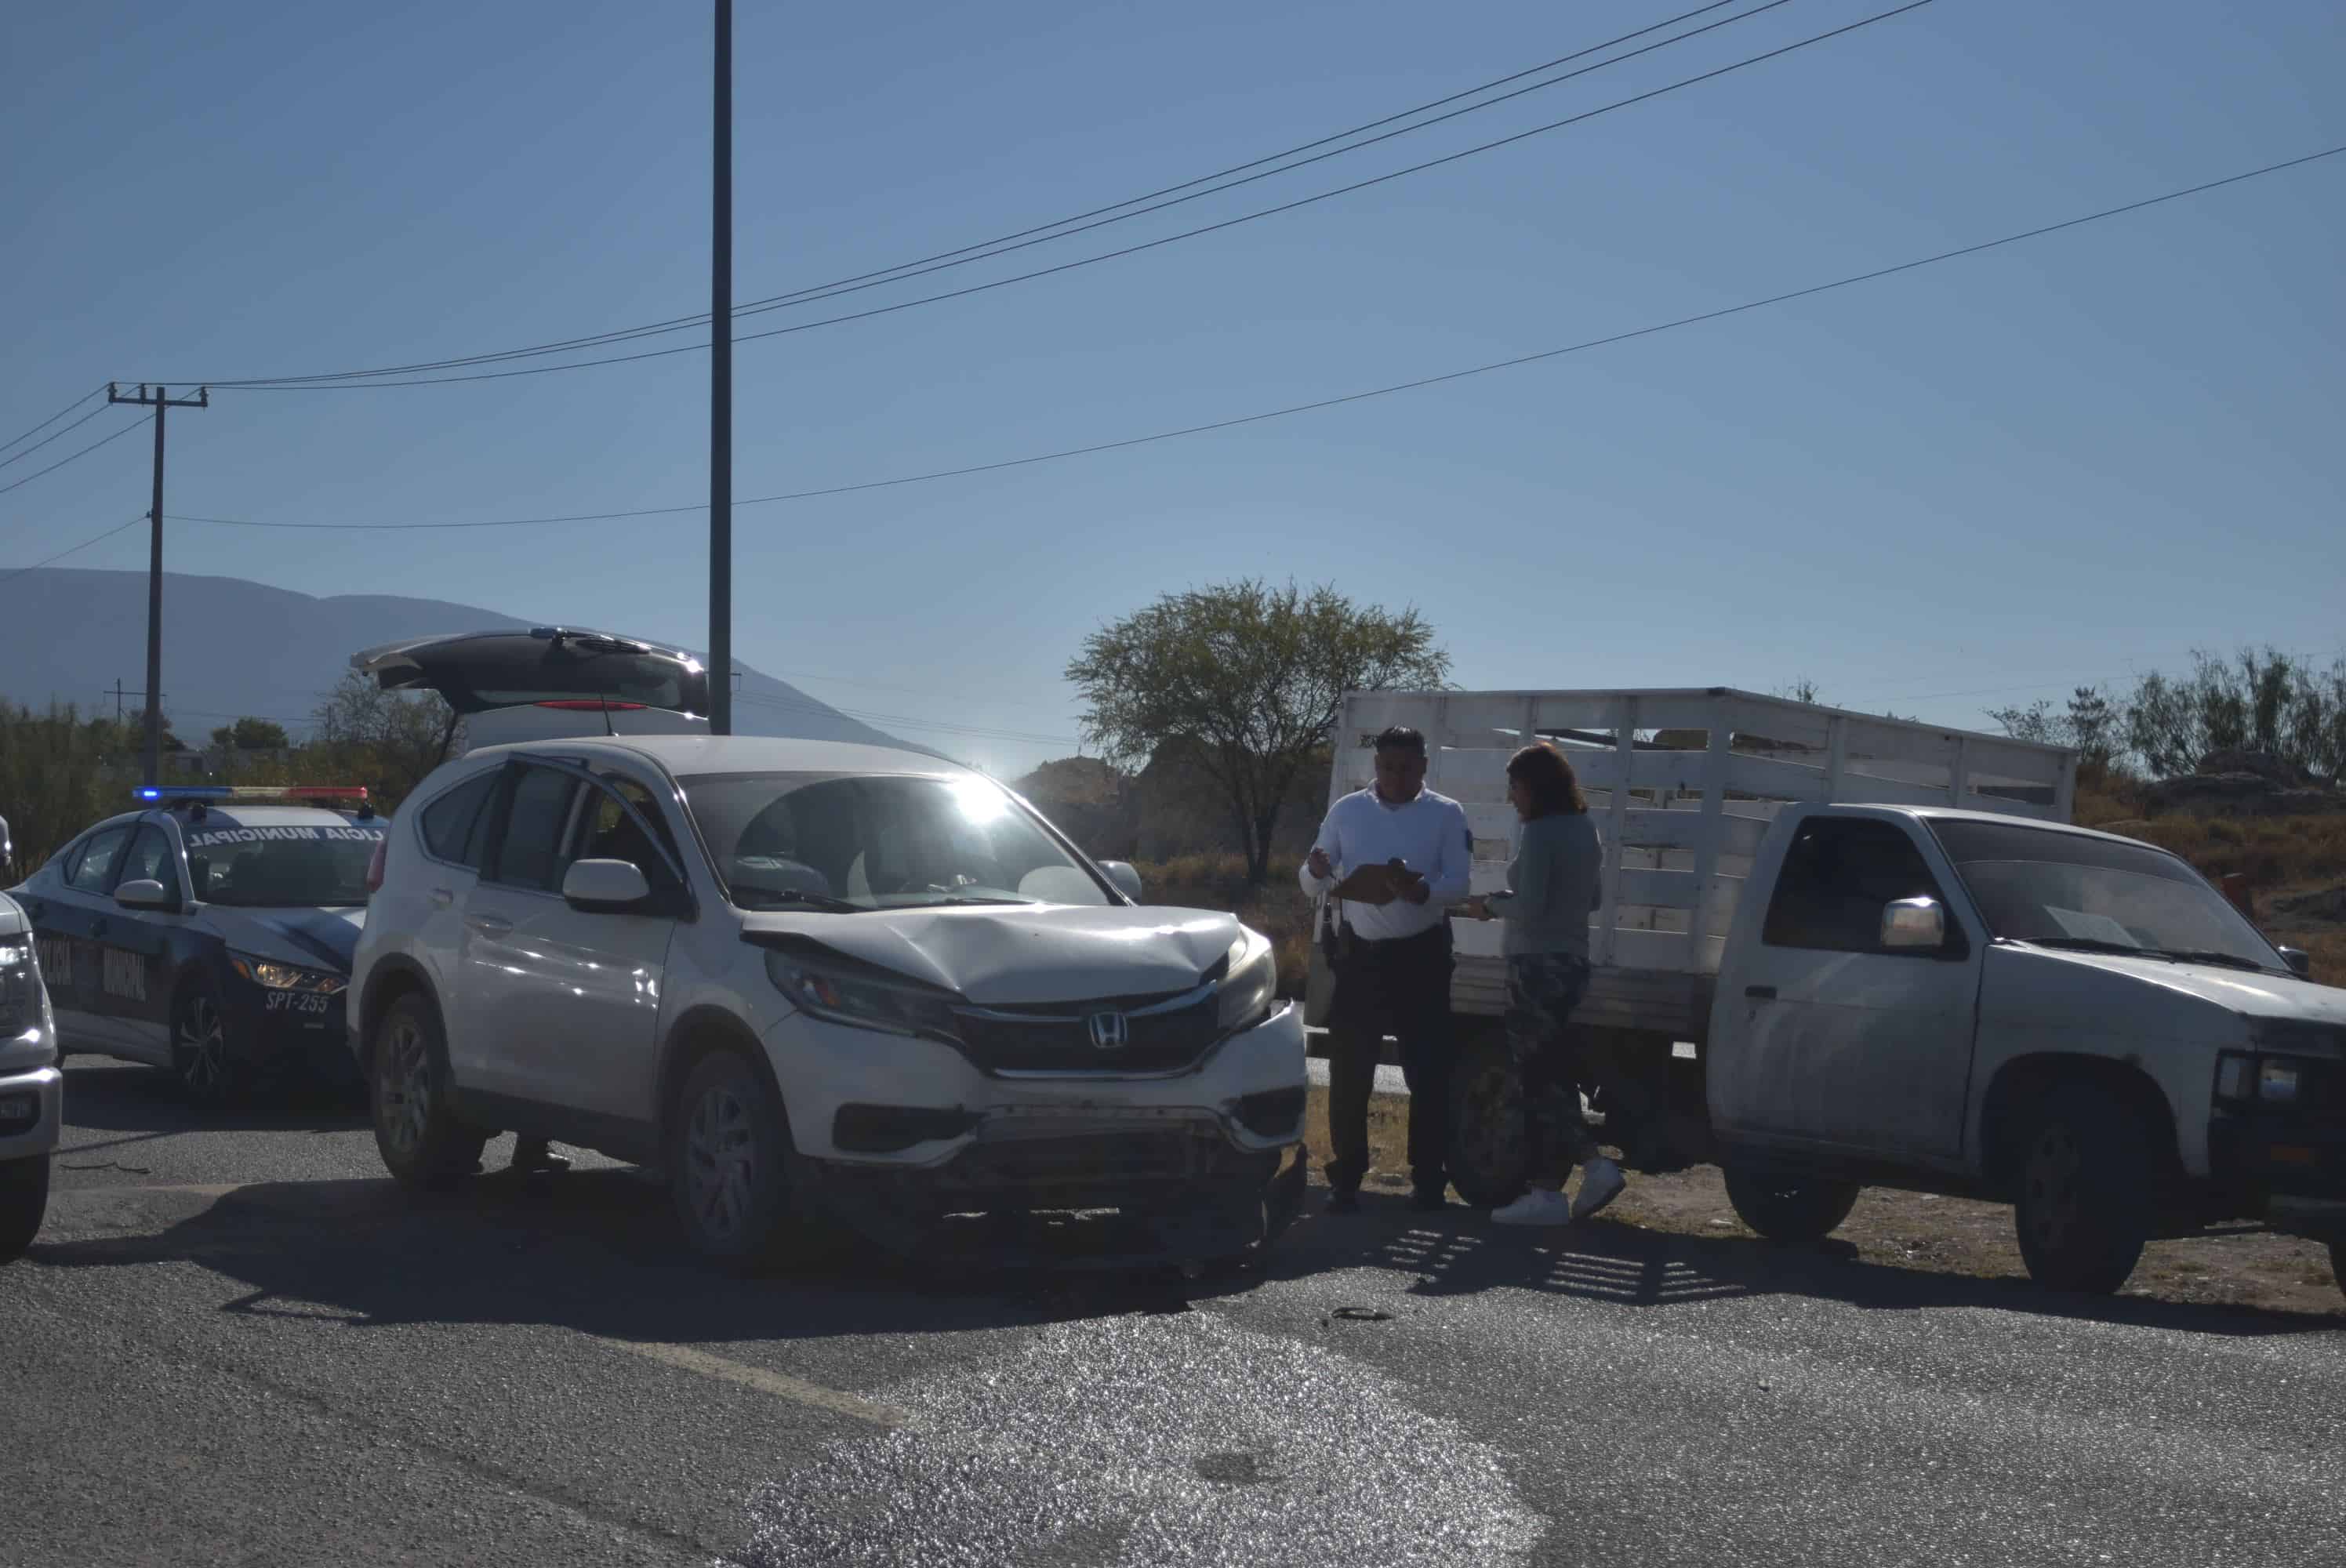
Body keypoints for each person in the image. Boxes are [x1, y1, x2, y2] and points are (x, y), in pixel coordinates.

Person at [1302, 726, 1473, 1214]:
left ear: (1423, 766)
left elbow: (1458, 884)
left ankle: (1428, 1180)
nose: (1397, 778)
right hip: (1361, 960)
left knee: (1428, 1073)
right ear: (1375, 767)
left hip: (1422, 958)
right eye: (1387, 767)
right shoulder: (1347, 811)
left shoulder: (1445, 813)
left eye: (1407, 768)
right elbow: (1310, 881)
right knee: (1350, 1072)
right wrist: (1315, 870)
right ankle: (1347, 1177)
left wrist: (1424, 893)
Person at [1464, 742, 1622, 1226]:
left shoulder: (1540, 832)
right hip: (1573, 962)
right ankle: (1548, 1188)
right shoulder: (1584, 828)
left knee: (1538, 1079)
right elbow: (1591, 898)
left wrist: (1491, 906)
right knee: (1550, 1073)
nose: (1512, 798)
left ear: (1533, 786)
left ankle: (1587, 1167)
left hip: (1535, 966)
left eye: (1515, 787)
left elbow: (1529, 906)